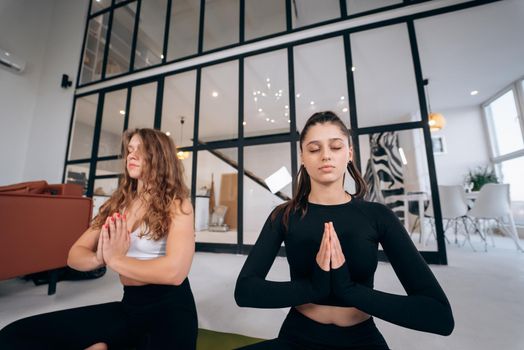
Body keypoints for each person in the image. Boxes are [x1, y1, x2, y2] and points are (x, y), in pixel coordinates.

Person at [234, 111, 454, 349]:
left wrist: (348, 291)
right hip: (297, 337)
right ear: (303, 158)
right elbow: (245, 291)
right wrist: (314, 287)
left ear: (349, 153)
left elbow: (438, 316)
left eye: (336, 147)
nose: (326, 155)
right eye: (314, 149)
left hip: (361, 340)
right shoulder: (283, 215)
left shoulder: (377, 216)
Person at [0, 128, 198, 350]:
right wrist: (99, 258)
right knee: (12, 336)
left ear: (160, 157)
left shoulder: (178, 205)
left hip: (171, 312)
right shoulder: (118, 205)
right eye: (130, 150)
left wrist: (115, 260)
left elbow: (174, 273)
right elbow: (74, 255)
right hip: (130, 307)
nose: (131, 155)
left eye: (141, 150)